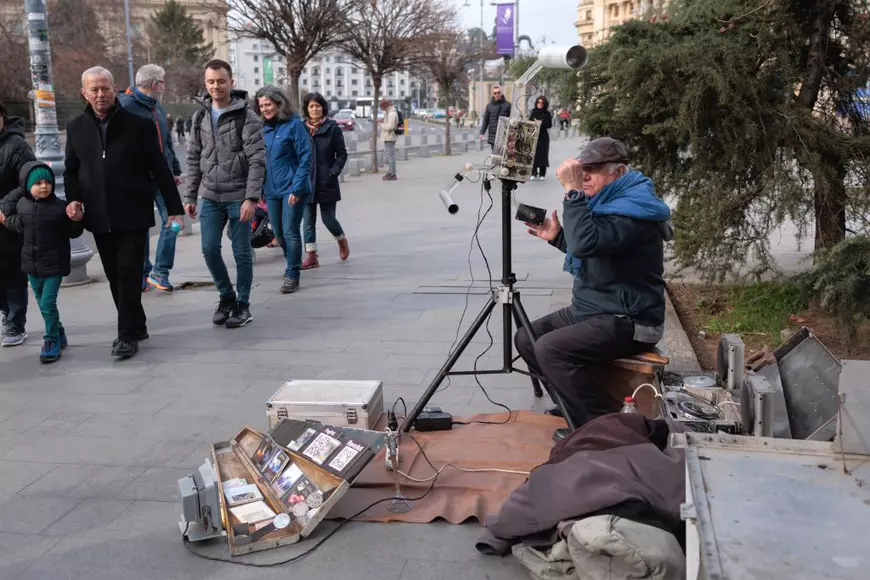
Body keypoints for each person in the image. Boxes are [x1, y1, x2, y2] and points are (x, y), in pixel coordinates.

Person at [514, 137, 673, 440]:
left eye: (594, 170)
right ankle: (572, 405)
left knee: (550, 349)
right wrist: (559, 237)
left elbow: (588, 243)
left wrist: (572, 193)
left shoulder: (633, 209)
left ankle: (607, 428)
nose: (584, 176)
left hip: (630, 318)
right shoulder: (609, 202)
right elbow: (594, 249)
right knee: (526, 337)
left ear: (620, 172)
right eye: (582, 169)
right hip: (595, 309)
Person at [65, 66, 185, 359]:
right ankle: (138, 324)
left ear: (114, 88)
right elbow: (71, 171)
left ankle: (125, 336)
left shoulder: (137, 124)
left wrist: (175, 209)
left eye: (105, 88)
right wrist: (74, 200)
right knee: (113, 275)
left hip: (133, 213)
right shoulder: (76, 127)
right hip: (100, 217)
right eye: (94, 89)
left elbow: (160, 168)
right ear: (84, 93)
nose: (100, 94)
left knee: (128, 273)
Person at [185, 59, 265, 327]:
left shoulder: (247, 116)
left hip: (238, 195)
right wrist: (189, 195)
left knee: (241, 251)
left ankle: (243, 305)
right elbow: (194, 157)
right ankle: (226, 296)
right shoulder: (200, 116)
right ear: (205, 83)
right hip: (209, 195)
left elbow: (257, 159)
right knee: (209, 249)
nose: (216, 86)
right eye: (211, 81)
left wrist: (251, 198)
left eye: (221, 81)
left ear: (232, 82)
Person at [0, 162, 84, 363]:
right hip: (31, 266)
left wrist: (76, 219)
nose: (44, 186)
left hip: (54, 266)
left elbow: (74, 232)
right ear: (27, 186)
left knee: (47, 303)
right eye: (38, 182)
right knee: (42, 303)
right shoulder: (22, 205)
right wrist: (4, 220)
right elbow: (17, 223)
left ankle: (51, 340)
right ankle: (59, 331)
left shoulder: (60, 207)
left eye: (47, 182)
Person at [118, 64, 184, 294]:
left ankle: (160, 271)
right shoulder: (124, 106)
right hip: (137, 179)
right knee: (140, 227)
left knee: (175, 222)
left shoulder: (157, 108)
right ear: (155, 85)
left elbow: (166, 143)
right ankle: (143, 274)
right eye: (163, 82)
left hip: (162, 178)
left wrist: (174, 170)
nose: (164, 86)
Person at [255, 85, 312, 294]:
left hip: (293, 188)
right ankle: (293, 264)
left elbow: (306, 156)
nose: (265, 109)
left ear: (279, 104)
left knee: (290, 231)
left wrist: (297, 188)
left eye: (268, 104)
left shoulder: (294, 125)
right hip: (271, 190)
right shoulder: (262, 129)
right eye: (261, 106)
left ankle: (292, 274)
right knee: (277, 233)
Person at [301, 92, 349, 270]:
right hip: (306, 182)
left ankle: (341, 240)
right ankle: (311, 255)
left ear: (323, 108)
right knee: (308, 222)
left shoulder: (332, 128)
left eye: (318, 106)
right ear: (307, 109)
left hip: (326, 181)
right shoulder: (301, 128)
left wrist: (333, 172)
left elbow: (342, 154)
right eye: (311, 106)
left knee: (328, 219)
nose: (314, 109)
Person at [0, 100, 34, 347]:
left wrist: (3, 206)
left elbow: (29, 181)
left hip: (7, 220)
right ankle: (6, 311)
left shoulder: (16, 145)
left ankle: (15, 322)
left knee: (12, 273)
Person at [479, 85, 511, 151]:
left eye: (498, 92)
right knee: (494, 156)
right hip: (493, 135)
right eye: (495, 93)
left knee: (503, 156)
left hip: (504, 135)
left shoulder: (508, 105)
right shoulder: (489, 106)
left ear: (501, 93)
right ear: (493, 94)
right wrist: (482, 132)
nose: (497, 94)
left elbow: (512, 120)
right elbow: (486, 120)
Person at [529, 96, 552, 180]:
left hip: (543, 137)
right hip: (534, 136)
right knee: (533, 154)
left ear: (544, 104)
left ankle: (542, 173)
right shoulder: (533, 112)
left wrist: (541, 123)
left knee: (543, 155)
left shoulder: (547, 113)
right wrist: (534, 123)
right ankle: (533, 173)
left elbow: (549, 125)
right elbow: (529, 122)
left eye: (542, 103)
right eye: (538, 102)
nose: (540, 104)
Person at [379, 99, 398, 181]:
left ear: (385, 105)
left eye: (382, 106)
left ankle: (392, 174)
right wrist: (383, 121)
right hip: (388, 137)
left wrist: (381, 124)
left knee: (391, 156)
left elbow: (390, 127)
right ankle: (390, 172)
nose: (382, 108)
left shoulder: (392, 113)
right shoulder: (389, 112)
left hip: (389, 137)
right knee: (390, 156)